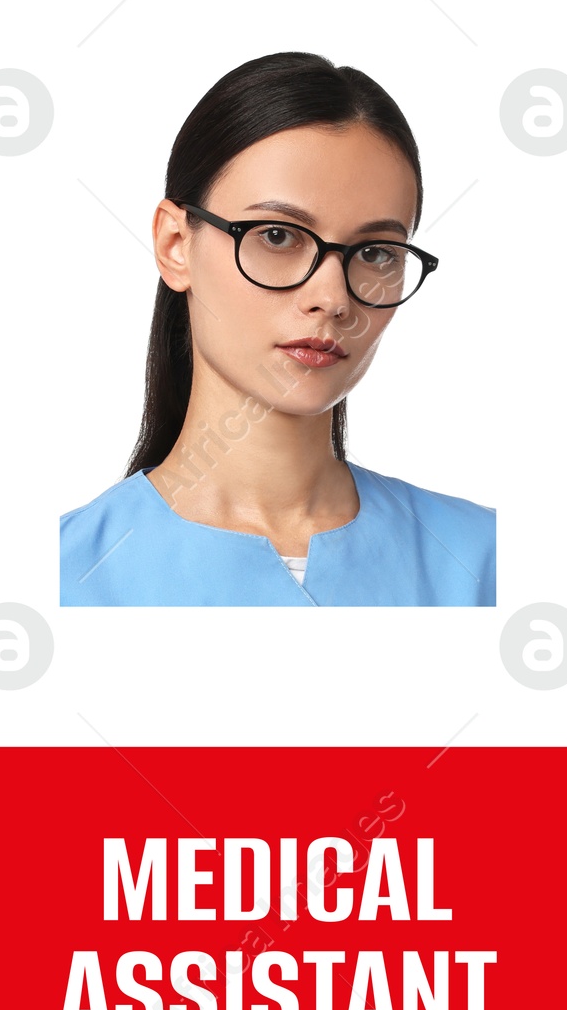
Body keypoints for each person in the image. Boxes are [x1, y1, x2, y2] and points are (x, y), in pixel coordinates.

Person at [59, 51, 495, 607]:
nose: (333, 299)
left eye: (376, 251)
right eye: (279, 236)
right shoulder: (59, 580)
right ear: (176, 245)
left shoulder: (491, 563)